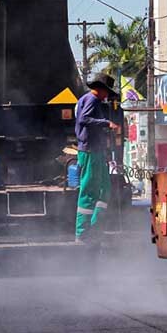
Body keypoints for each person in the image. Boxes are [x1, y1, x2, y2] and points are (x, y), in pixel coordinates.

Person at [74, 72, 121, 244]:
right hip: (89, 151)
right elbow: (84, 119)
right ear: (100, 89)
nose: (107, 95)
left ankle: (96, 227)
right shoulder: (91, 100)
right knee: (89, 190)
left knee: (104, 188)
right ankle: (82, 231)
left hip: (97, 151)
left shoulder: (91, 101)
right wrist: (106, 123)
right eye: (107, 91)